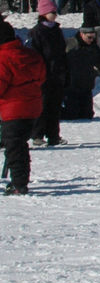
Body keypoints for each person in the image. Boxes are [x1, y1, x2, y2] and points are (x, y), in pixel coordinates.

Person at [0, 20, 47, 195]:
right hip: (33, 106)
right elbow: (42, 77)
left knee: (14, 146)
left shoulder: (3, 57)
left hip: (13, 109)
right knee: (19, 145)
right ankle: (19, 180)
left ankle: (19, 184)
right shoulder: (30, 54)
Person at [27, 0, 68, 146]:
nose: (54, 15)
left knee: (55, 106)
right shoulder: (37, 32)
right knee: (42, 106)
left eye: (55, 12)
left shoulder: (57, 30)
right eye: (52, 12)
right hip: (43, 75)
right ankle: (37, 135)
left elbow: (63, 52)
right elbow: (35, 55)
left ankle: (53, 135)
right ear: (44, 13)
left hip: (57, 74)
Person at [62, 26, 100, 120]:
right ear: (82, 34)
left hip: (86, 86)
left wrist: (97, 70)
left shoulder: (94, 47)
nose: (91, 40)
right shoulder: (71, 44)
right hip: (71, 86)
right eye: (89, 37)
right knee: (72, 115)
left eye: (93, 38)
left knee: (87, 115)